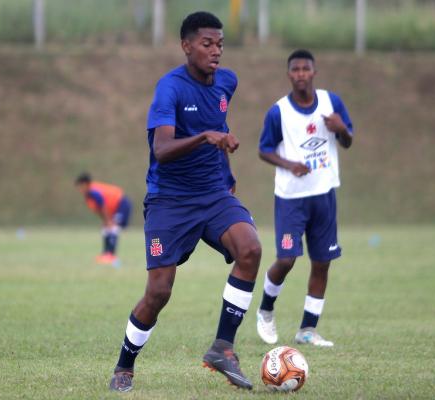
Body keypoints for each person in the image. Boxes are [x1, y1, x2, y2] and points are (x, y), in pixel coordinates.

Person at [108, 11, 261, 392]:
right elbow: (162, 149)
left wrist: (226, 173)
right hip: (170, 201)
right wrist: (205, 136)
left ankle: (223, 347)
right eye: (207, 44)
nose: (216, 51)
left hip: (213, 194)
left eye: (220, 44)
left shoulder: (227, 82)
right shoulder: (170, 89)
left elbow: (220, 128)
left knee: (250, 249)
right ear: (186, 46)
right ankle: (125, 365)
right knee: (159, 292)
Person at [256, 49, 354, 348]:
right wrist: (290, 165)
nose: (301, 74)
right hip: (291, 199)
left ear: (314, 72)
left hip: (323, 194)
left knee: (322, 262)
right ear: (289, 74)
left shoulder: (331, 102)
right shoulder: (279, 112)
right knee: (286, 259)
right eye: (295, 69)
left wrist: (341, 129)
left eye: (305, 69)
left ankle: (308, 329)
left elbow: (348, 140)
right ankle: (266, 309)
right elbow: (264, 150)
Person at [75, 173, 132, 265]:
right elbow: (99, 210)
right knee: (106, 228)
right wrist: (106, 221)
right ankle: (105, 254)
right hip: (115, 208)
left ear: (85, 184)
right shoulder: (88, 195)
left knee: (113, 227)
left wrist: (108, 221)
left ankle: (111, 255)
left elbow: (103, 206)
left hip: (121, 204)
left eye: (80, 186)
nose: (79, 189)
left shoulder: (93, 191)